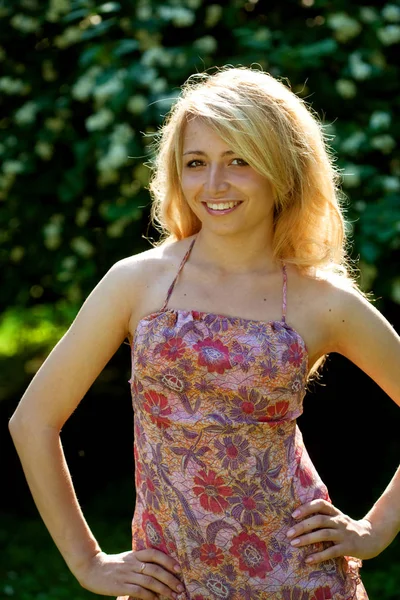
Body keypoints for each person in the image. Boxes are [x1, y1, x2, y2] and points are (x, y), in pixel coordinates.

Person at [9, 65, 400, 600]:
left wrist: (376, 529)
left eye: (238, 161)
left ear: (281, 169)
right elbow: (32, 420)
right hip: (170, 584)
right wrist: (89, 562)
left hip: (299, 580)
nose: (213, 185)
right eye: (196, 163)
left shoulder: (323, 302)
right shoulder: (136, 283)